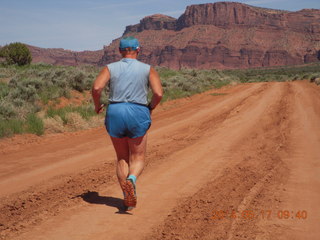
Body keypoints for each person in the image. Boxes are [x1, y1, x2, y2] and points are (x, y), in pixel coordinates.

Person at [91, 36, 163, 211]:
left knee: (122, 157)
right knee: (137, 157)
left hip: (115, 111)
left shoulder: (110, 68)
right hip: (138, 111)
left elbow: (96, 88)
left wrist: (97, 105)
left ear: (120, 51)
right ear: (138, 50)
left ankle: (126, 197)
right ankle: (132, 180)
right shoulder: (147, 69)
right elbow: (158, 93)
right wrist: (150, 108)